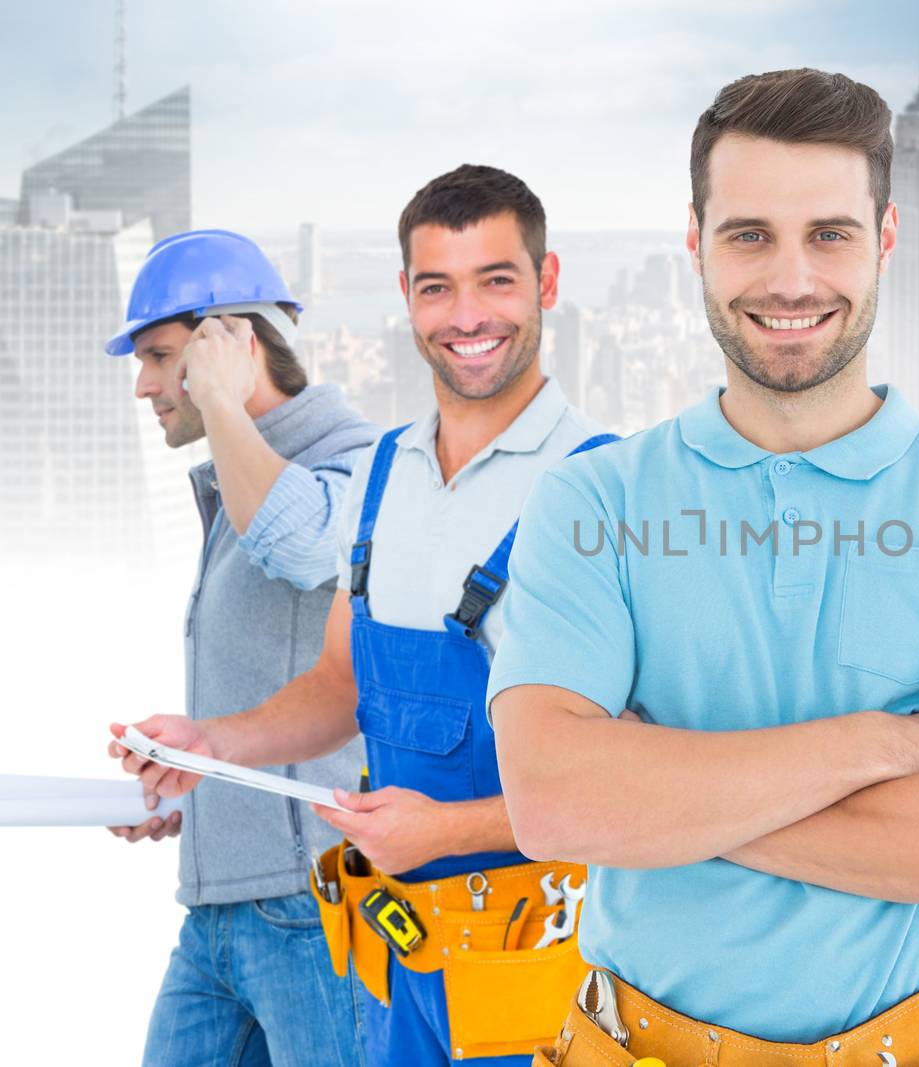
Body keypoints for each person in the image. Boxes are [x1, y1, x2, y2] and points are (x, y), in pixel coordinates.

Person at [488, 69, 919, 1067]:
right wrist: (880, 743)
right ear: (694, 243)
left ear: (886, 240)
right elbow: (553, 803)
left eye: (828, 234)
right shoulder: (591, 503)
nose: (790, 278)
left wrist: (665, 799)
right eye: (748, 234)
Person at [113, 166, 613, 1066]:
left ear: (547, 283)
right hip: (390, 957)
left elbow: (635, 779)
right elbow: (341, 685)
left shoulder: (602, 487)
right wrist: (210, 745)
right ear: (406, 298)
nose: (466, 315)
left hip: (526, 966)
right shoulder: (385, 476)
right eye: (437, 286)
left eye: (496, 280)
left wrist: (448, 830)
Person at [106, 228, 376, 1066]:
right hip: (218, 910)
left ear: (234, 344)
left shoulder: (355, 463)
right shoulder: (233, 482)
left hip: (310, 910)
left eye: (160, 356)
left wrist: (222, 401)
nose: (147, 384)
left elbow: (302, 548)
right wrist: (195, 797)